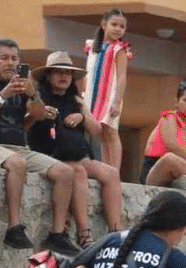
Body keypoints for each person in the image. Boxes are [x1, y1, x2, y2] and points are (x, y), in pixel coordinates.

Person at [0, 38, 83, 255]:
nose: (10, 63)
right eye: (4, 58)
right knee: (16, 163)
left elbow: (37, 115)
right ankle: (14, 227)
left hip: (19, 147)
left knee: (65, 172)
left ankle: (57, 235)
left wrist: (33, 94)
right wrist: (3, 95)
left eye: (14, 58)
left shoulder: (22, 88)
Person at [31, 51, 124, 247]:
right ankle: (84, 233)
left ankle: (115, 231)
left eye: (68, 73)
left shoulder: (76, 100)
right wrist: (42, 113)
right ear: (48, 75)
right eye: (58, 72)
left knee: (111, 173)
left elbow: (97, 129)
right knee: (79, 172)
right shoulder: (39, 98)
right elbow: (28, 124)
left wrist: (82, 115)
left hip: (78, 154)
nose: (64, 76)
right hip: (51, 154)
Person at [82, 9, 132, 173]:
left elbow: (122, 77)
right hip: (92, 95)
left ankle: (114, 171)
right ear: (104, 24)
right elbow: (87, 71)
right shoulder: (91, 46)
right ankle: (106, 168)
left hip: (110, 96)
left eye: (122, 26)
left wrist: (117, 101)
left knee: (111, 132)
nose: (118, 29)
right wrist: (83, 94)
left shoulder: (120, 49)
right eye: (114, 24)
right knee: (101, 133)